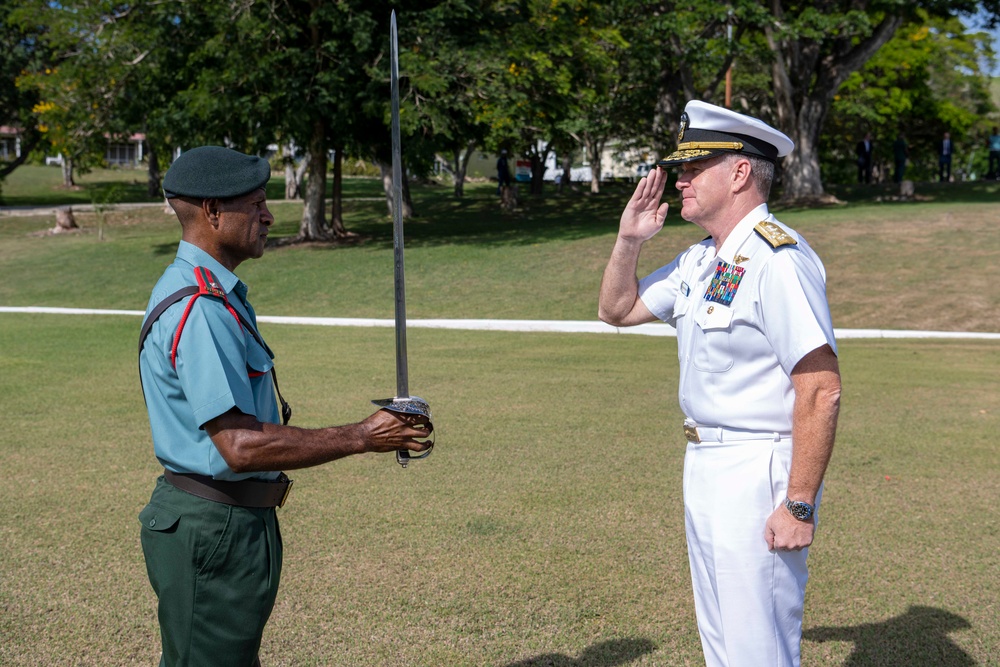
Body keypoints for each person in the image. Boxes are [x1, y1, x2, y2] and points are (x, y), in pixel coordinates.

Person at [137, 146, 433, 667]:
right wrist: (365, 435)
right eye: (255, 204)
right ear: (212, 211)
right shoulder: (200, 307)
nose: (269, 215)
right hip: (213, 524)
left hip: (227, 519)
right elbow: (239, 445)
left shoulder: (214, 294)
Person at [599, 101, 841, 667]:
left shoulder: (777, 258)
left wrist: (799, 503)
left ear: (738, 173)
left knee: (757, 646)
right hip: (706, 460)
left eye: (693, 167)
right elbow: (617, 309)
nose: (677, 179)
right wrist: (629, 240)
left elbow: (821, 387)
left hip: (759, 471)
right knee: (724, 645)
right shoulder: (703, 261)